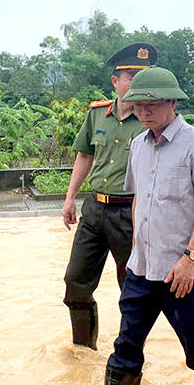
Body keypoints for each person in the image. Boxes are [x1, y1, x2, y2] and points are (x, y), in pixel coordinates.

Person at [88, 67, 194, 385]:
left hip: (182, 272)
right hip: (142, 267)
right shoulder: (137, 145)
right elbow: (138, 199)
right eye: (138, 104)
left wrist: (190, 258)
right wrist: (135, 249)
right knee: (126, 344)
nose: (144, 110)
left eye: (153, 103)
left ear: (173, 102)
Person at [61, 42, 155, 349]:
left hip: (130, 213)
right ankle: (83, 350)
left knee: (131, 288)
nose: (137, 83)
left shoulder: (151, 120)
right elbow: (85, 156)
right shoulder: (97, 114)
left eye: (143, 77)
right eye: (131, 77)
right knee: (75, 283)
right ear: (115, 81)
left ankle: (129, 352)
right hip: (94, 210)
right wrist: (70, 197)